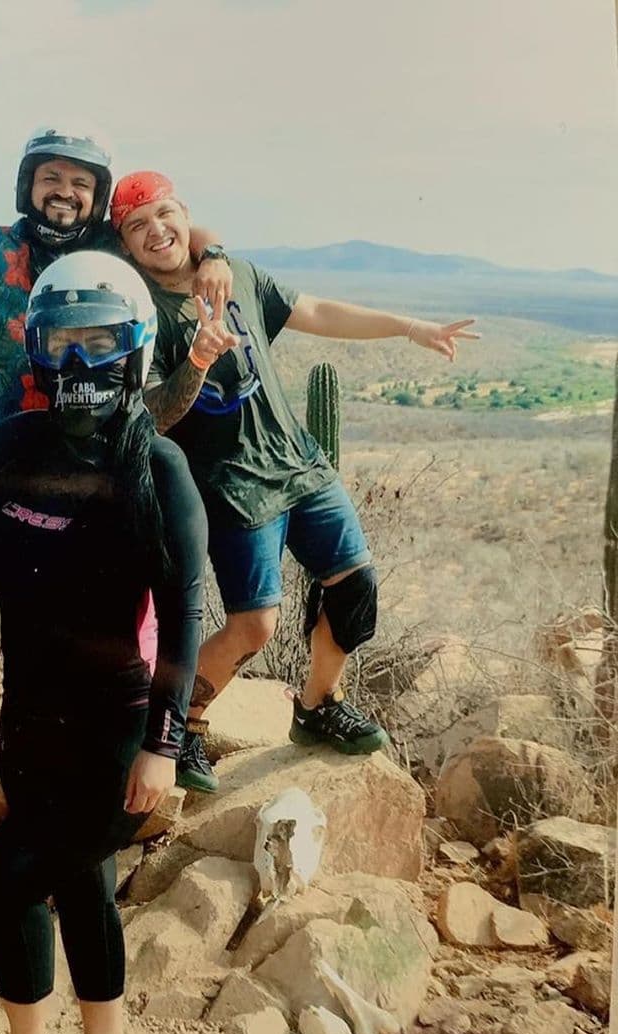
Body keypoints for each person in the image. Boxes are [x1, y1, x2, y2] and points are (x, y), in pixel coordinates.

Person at [110, 171, 479, 792]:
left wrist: (408, 327)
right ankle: (184, 727)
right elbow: (155, 416)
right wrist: (198, 359)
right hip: (231, 484)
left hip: (298, 462)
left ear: (185, 214)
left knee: (354, 588)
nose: (156, 232)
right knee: (255, 624)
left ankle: (316, 706)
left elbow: (315, 311)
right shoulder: (139, 314)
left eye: (164, 215)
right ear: (123, 245)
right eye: (137, 226)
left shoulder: (237, 276)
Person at [0, 251, 207, 1034]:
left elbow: (183, 615)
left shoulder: (156, 468)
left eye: (99, 341)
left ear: (133, 348)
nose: (78, 363)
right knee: (86, 889)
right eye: (62, 340)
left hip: (116, 730)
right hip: (30, 721)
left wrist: (164, 746)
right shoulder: (20, 446)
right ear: (36, 345)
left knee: (9, 880)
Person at [0, 126, 233, 426]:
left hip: (112, 457)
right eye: (51, 178)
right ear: (29, 185)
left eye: (81, 184)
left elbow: (177, 237)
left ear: (97, 195)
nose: (64, 192)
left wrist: (214, 255)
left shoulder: (114, 245)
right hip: (19, 456)